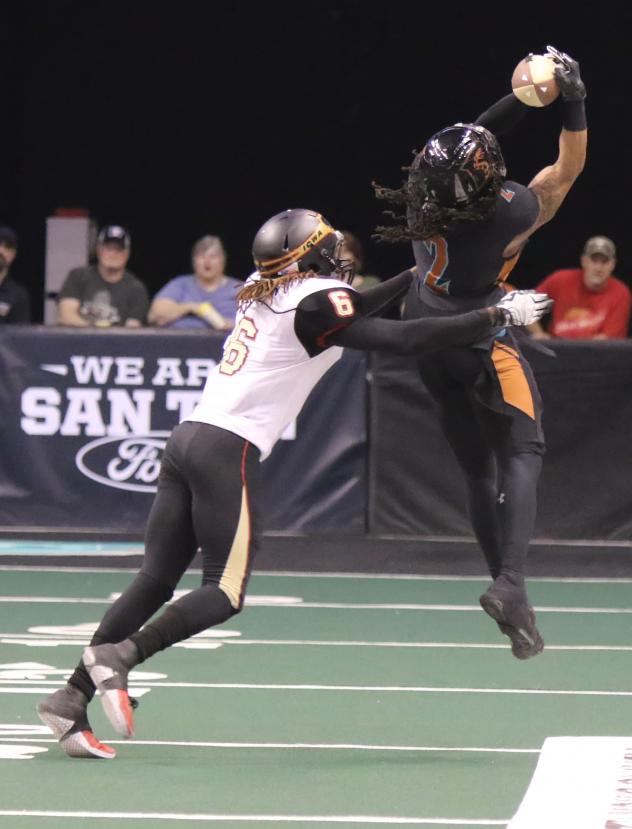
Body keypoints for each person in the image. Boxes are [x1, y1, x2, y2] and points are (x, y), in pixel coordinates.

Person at [36, 208, 550, 759]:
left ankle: (71, 697)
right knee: (224, 592)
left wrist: (415, 275)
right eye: (327, 246)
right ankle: (123, 656)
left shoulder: (264, 286)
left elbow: (352, 312)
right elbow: (401, 338)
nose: (338, 255)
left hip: (188, 437)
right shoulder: (317, 302)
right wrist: (496, 315)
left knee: (155, 579)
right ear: (310, 260)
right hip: (226, 448)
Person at [373, 46, 587, 659]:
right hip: (478, 334)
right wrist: (571, 100)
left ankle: (503, 584)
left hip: (425, 330)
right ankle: (512, 583)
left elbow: (463, 143)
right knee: (524, 447)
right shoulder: (509, 211)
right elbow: (566, 169)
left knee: (475, 468)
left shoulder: (422, 193)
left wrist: (520, 100)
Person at [529, 236, 631, 340]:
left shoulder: (621, 293)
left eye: (604, 262)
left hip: (596, 353)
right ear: (584, 261)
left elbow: (607, 343)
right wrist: (539, 334)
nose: (598, 268)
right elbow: (526, 305)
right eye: (594, 261)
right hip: (556, 349)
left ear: (613, 264)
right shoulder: (560, 279)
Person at [56, 225, 149, 327]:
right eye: (108, 248)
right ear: (98, 251)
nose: (113, 254)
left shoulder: (136, 289)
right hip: (79, 341)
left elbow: (132, 329)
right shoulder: (78, 276)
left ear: (127, 254)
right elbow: (66, 316)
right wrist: (95, 333)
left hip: (116, 342)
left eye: (118, 249)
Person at [148, 235, 239, 330]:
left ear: (223, 260)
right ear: (194, 261)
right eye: (201, 257)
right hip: (181, 340)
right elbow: (154, 315)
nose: (207, 262)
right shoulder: (180, 284)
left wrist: (232, 325)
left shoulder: (239, 289)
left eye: (213, 257)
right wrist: (192, 307)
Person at [0, 226, 30, 323]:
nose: (1, 251)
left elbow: (18, 336)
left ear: (13, 255)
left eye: (7, 246)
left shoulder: (18, 296)